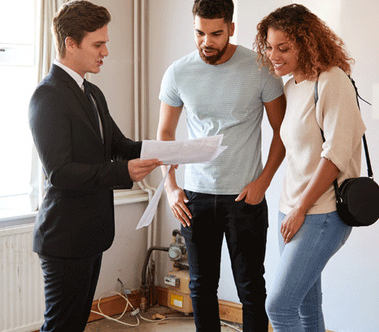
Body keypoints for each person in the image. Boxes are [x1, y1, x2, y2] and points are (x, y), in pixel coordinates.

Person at [28, 1, 161, 331]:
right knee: (61, 326)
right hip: (65, 237)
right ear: (71, 43)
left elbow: (120, 146)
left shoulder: (93, 93)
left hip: (91, 234)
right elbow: (60, 172)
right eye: (97, 44)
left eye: (105, 43)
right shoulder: (47, 96)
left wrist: (169, 151)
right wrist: (122, 172)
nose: (105, 52)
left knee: (75, 325)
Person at [156, 0, 286, 330]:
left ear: (231, 28)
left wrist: (263, 183)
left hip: (245, 197)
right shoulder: (178, 72)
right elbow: (166, 133)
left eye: (215, 33)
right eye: (199, 32)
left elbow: (283, 132)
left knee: (251, 289)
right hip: (196, 197)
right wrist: (171, 188)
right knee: (200, 287)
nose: (206, 42)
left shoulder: (260, 68)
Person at [254, 4, 366, 331]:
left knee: (279, 306)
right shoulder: (292, 85)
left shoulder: (332, 81)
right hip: (290, 211)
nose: (274, 56)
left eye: (284, 48)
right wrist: (291, 208)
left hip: (321, 213)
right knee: (305, 306)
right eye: (270, 47)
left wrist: (301, 208)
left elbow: (336, 155)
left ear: (307, 43)